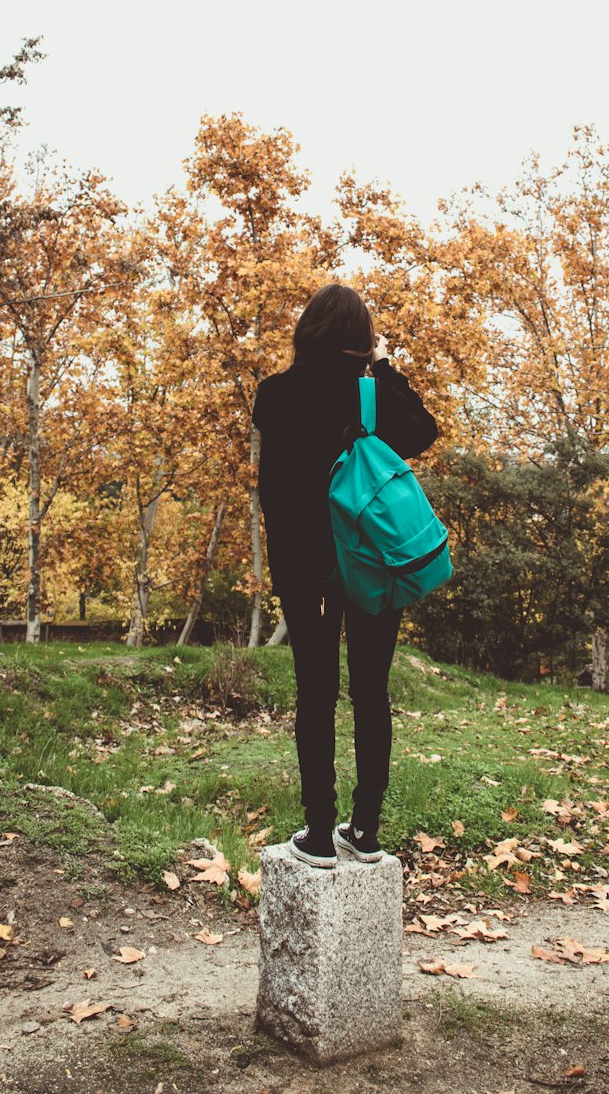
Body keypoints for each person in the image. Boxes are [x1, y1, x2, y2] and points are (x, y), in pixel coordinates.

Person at [252, 282, 439, 868]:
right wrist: (384, 366)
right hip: (369, 565)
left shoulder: (274, 396)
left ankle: (315, 831)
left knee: (315, 692)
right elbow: (422, 432)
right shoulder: (373, 395)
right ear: (360, 340)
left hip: (303, 568)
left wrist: (289, 562)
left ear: (307, 330)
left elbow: (272, 491)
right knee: (370, 694)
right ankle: (364, 830)